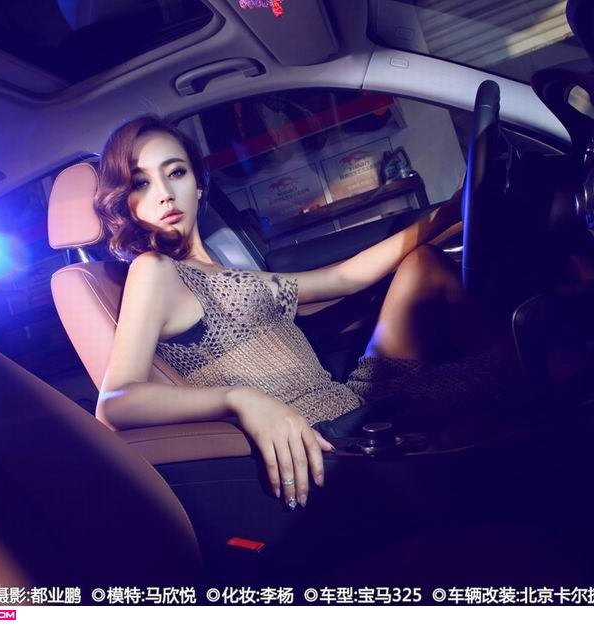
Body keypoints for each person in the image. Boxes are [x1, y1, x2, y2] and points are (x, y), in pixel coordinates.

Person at [93, 114, 515, 510]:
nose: (164, 193)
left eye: (175, 172)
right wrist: (240, 400)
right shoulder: (155, 270)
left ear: (199, 185)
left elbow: (343, 278)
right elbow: (115, 402)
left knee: (423, 263)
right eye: (140, 183)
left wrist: (448, 212)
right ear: (126, 202)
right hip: (336, 435)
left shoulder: (222, 271)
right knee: (520, 361)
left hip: (351, 400)